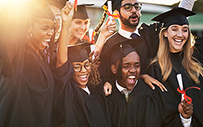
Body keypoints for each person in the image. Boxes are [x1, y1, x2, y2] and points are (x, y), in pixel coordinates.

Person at [0, 1, 73, 126]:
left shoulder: (41, 58)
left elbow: (61, 68)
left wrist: (66, 24)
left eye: (52, 28)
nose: (51, 33)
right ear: (27, 29)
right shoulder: (18, 59)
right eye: (45, 28)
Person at [99, 0, 195, 94]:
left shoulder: (151, 32)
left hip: (161, 97)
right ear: (116, 13)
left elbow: (176, 17)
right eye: (128, 7)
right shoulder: (110, 45)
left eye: (137, 7)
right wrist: (141, 77)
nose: (134, 10)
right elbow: (108, 77)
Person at [100, 39, 192, 127]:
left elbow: (165, 124)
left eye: (137, 65)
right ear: (114, 68)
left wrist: (185, 118)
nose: (133, 70)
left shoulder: (151, 93)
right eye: (126, 66)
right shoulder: (106, 96)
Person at [147, 7, 203, 126]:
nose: (180, 35)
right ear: (165, 33)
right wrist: (185, 119)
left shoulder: (197, 62)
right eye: (174, 29)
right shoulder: (156, 69)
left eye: (185, 30)